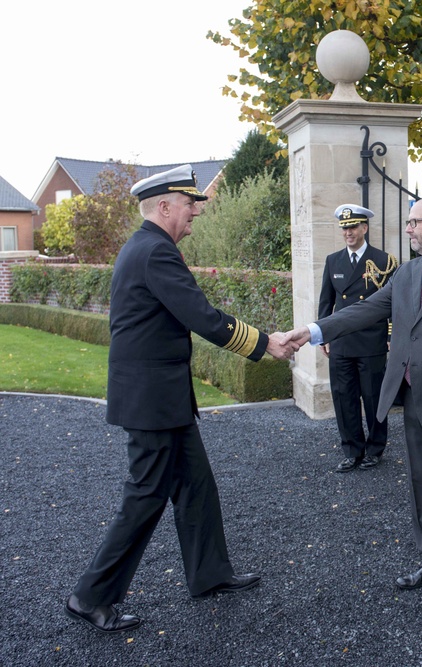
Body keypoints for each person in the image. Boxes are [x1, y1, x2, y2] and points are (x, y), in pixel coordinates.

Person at [65, 165, 297, 634]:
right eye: (189, 204)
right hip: (152, 402)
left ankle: (209, 574)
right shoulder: (155, 251)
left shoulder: (147, 248)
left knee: (195, 485)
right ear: (164, 206)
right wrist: (264, 343)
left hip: (163, 398)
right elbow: (202, 316)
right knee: (145, 495)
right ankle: (90, 597)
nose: (195, 212)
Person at [287, 196, 422, 600]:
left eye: (413, 222)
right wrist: (312, 331)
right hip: (414, 400)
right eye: (407, 223)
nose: (407, 229)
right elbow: (365, 311)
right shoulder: (407, 274)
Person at [318, 204, 398, 472]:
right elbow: (326, 302)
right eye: (344, 228)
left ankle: (375, 449)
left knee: (374, 397)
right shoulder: (333, 261)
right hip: (341, 340)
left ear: (364, 228)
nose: (348, 233)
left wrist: (390, 334)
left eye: (352, 227)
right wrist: (324, 335)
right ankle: (352, 450)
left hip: (371, 340)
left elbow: (393, 304)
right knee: (344, 397)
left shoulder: (384, 261)